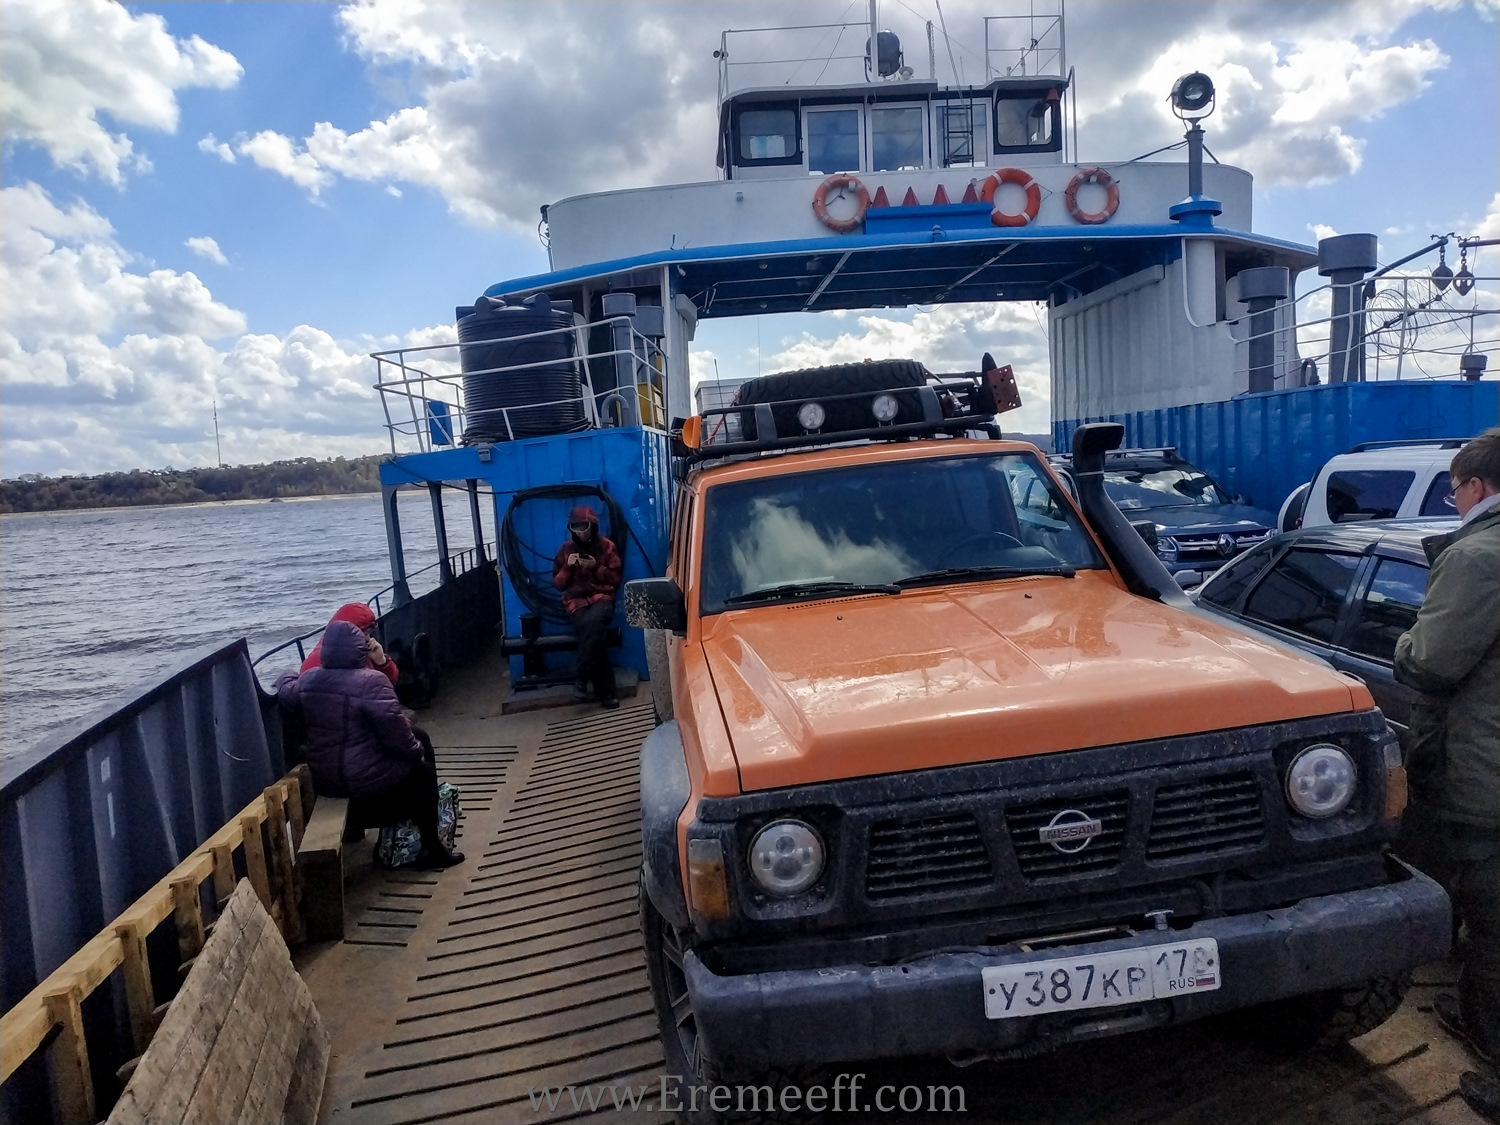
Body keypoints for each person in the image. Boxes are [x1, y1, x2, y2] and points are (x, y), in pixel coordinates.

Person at [1394, 427, 1500, 1119]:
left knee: (1493, 925)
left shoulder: (1477, 557)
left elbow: (1431, 661)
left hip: (1485, 774)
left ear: (1477, 486)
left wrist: (1403, 641)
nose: (1454, 500)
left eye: (1454, 489)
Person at [276, 619, 463, 868]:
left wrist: (286, 675)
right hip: (369, 792)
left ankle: (425, 835)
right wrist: (417, 752)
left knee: (417, 741)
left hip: (328, 783)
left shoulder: (309, 680)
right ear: (358, 650)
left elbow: (287, 691)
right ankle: (432, 846)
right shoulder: (371, 682)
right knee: (423, 772)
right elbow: (398, 738)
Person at [552, 505, 623, 709]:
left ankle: (581, 678)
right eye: (576, 528)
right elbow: (558, 584)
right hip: (576, 601)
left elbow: (616, 579)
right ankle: (607, 692)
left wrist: (596, 567)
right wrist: (568, 567)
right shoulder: (565, 550)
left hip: (602, 597)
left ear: (593, 526)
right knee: (594, 634)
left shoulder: (607, 546)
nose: (581, 532)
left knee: (592, 625)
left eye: (585, 527)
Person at [300, 602, 398, 686]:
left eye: (369, 633)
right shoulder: (314, 664)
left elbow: (390, 684)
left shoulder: (364, 652)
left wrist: (382, 662)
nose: (368, 638)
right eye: (364, 633)